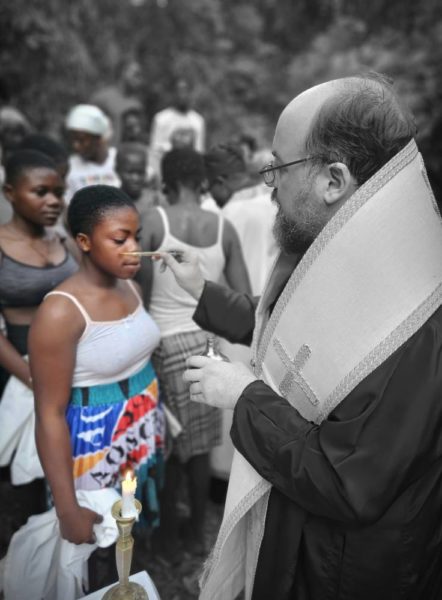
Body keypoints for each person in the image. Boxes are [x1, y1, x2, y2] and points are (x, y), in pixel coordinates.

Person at [160, 74, 442, 599]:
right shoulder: (347, 250)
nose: (269, 185)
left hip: (344, 572)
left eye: (278, 167)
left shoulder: (415, 319)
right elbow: (295, 337)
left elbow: (347, 482)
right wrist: (202, 290)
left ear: (334, 180)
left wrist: (244, 396)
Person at [28, 185, 164, 545]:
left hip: (138, 425)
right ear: (85, 242)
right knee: (96, 542)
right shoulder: (60, 312)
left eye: (136, 236)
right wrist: (68, 511)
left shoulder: (130, 286)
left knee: (127, 527)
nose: (133, 247)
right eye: (120, 239)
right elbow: (49, 414)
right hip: (93, 444)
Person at [139, 148, 250, 561]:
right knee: (200, 448)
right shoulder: (224, 227)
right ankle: (197, 535)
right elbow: (242, 297)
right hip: (207, 345)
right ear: (202, 181)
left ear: (165, 181)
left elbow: (140, 296)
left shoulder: (154, 221)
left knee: (171, 447)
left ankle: (168, 536)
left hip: (163, 345)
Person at [0, 149, 77, 538]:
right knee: (27, 474)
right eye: (40, 192)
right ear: (10, 192)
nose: (53, 201)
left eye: (59, 192)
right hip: (19, 369)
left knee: (68, 461)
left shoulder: (64, 239)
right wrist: (33, 377)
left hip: (73, 366)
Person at [205, 143, 278, 295]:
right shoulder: (277, 200)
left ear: (220, 182)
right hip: (277, 301)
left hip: (243, 303)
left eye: (210, 189)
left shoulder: (227, 215)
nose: (211, 195)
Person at [149, 78, 205, 178]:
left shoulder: (198, 121)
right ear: (173, 94)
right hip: (166, 171)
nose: (182, 95)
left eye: (185, 91)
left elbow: (199, 150)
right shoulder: (161, 118)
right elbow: (155, 150)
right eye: (179, 91)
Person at [64, 104, 120, 203]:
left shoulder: (120, 159)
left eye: (81, 140)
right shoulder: (69, 167)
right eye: (72, 140)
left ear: (98, 138)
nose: (75, 146)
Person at [90, 60, 145, 145]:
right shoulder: (102, 99)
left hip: (127, 151)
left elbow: (138, 133)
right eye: (136, 74)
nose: (139, 80)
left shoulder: (137, 104)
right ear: (123, 73)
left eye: (140, 76)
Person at [115, 142, 164, 213]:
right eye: (130, 172)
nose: (136, 178)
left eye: (140, 172)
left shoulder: (155, 201)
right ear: (117, 170)